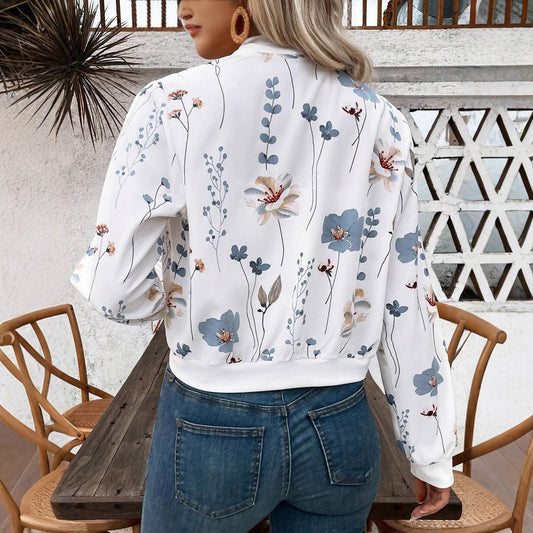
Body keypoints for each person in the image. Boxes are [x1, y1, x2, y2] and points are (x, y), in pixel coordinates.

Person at [71, 1, 458, 531]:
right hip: (340, 422)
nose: (182, 7)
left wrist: (173, 305)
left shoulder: (173, 104)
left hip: (211, 420)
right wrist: (430, 452)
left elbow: (113, 289)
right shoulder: (379, 117)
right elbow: (406, 292)